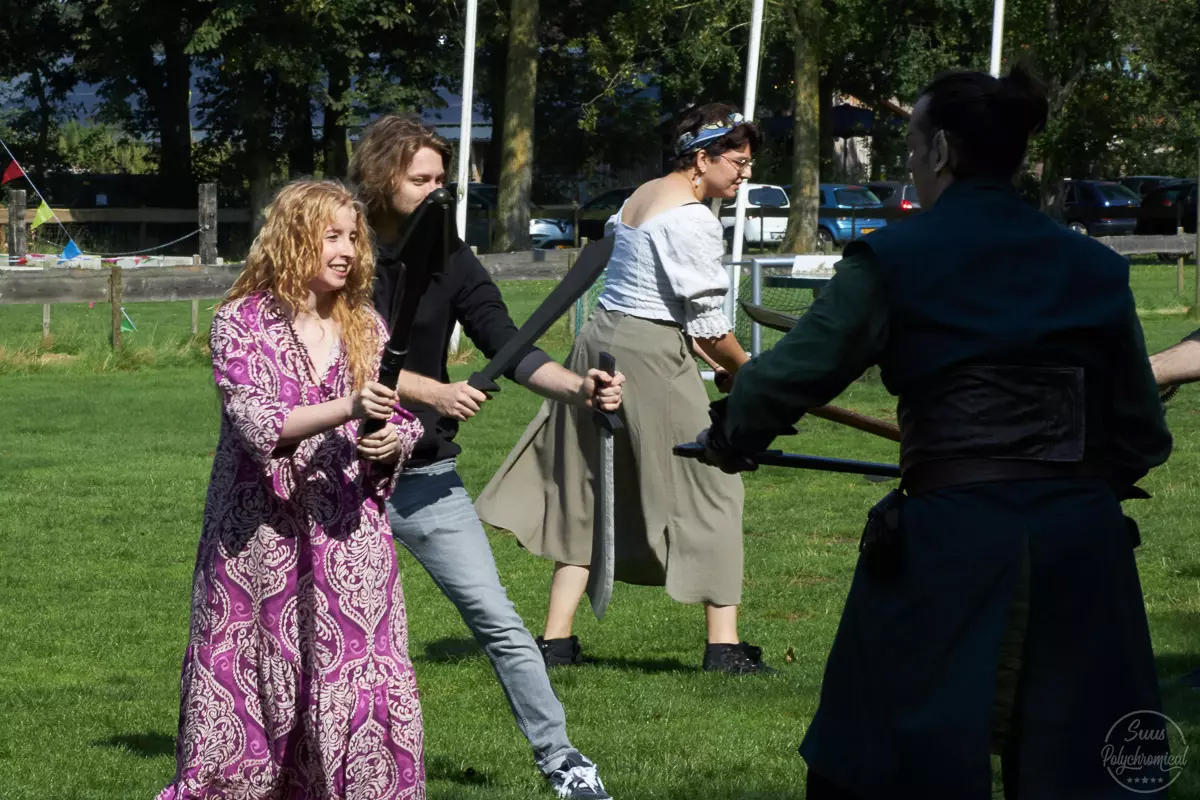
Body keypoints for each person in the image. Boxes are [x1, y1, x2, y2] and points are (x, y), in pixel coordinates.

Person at [699, 64, 1173, 797]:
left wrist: (733, 431)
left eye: (914, 141)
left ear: (943, 150)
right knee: (1086, 767)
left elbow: (791, 373)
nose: (909, 158)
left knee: (886, 760)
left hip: (953, 544)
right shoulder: (1095, 267)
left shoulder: (896, 257)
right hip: (1082, 549)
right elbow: (1142, 434)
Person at [347, 115, 623, 800]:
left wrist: (577, 389)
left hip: (425, 481)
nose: (438, 191)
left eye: (443, 179)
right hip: (341, 476)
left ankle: (562, 762)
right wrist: (434, 388)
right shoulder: (339, 252)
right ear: (383, 179)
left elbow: (512, 345)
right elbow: (338, 358)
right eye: (422, 180)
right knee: (337, 634)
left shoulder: (452, 258)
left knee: (498, 620)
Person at [475, 103, 771, 676]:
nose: (744, 174)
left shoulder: (642, 195)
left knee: (591, 487)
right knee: (712, 478)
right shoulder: (691, 218)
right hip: (646, 353)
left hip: (599, 341)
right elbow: (709, 327)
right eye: (736, 161)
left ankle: (556, 641)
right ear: (700, 157)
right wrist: (751, 369)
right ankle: (725, 647)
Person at [157, 180, 427, 799]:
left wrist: (391, 441)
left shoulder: (365, 325)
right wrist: (351, 405)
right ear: (292, 238)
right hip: (257, 546)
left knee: (358, 687)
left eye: (354, 237)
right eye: (331, 236)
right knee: (251, 688)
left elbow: (396, 418)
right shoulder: (239, 323)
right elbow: (262, 424)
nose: (347, 251)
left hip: (348, 543)